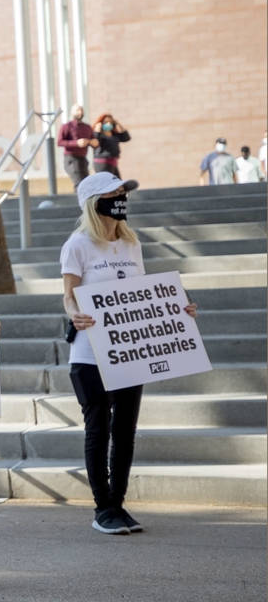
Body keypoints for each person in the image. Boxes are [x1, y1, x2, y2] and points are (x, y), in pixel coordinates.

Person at [61, 172, 197, 535]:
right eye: (115, 192)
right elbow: (68, 294)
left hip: (129, 353)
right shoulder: (78, 244)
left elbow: (141, 296)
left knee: (125, 431)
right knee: (98, 428)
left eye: (124, 191)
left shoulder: (131, 243)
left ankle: (118, 504)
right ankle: (102, 507)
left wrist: (176, 311)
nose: (122, 197)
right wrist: (74, 312)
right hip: (90, 354)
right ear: (94, 201)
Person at [57, 104, 95, 188]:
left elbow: (93, 141)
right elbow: (60, 142)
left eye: (81, 110)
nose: (80, 112)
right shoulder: (67, 126)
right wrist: (76, 143)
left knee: (86, 183)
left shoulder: (87, 127)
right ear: (72, 112)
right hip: (72, 159)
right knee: (79, 184)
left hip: (83, 159)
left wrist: (91, 142)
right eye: (77, 110)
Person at [91, 113, 130, 177]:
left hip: (113, 162)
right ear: (101, 123)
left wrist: (118, 124)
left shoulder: (114, 135)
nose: (108, 124)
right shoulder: (99, 135)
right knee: (107, 183)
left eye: (110, 122)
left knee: (117, 183)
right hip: (102, 163)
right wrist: (97, 131)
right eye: (106, 122)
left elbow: (126, 138)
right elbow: (95, 143)